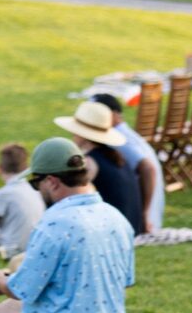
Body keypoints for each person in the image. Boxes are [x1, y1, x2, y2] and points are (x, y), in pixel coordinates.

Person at [0, 138, 136, 313]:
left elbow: (21, 290)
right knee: (9, 309)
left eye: (35, 183)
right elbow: (125, 282)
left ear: (51, 181)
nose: (37, 190)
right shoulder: (116, 218)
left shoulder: (54, 223)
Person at [57, 99, 146, 235]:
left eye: (74, 132)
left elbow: (70, 199)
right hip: (130, 227)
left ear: (82, 134)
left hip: (113, 231)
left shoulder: (89, 162)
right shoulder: (116, 156)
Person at [101, 89, 165, 233]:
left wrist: (145, 213)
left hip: (142, 220)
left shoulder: (118, 138)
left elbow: (148, 169)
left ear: (114, 114)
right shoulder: (127, 134)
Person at [0, 143, 44, 260]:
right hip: (35, 245)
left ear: (0, 168)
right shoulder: (35, 190)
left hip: (12, 250)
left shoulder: (2, 194)